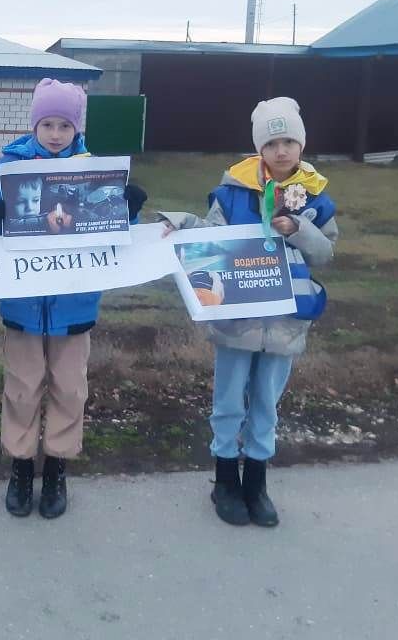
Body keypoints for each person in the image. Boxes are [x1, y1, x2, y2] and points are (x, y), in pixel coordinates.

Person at [159, 97, 338, 527]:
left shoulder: (316, 196)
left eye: (289, 141)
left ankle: (256, 483)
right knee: (228, 399)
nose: (281, 150)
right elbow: (212, 237)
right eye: (273, 142)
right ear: (260, 146)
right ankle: (225, 481)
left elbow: (326, 253)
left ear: (301, 144)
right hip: (237, 315)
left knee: (266, 403)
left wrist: (299, 228)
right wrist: (181, 221)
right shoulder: (232, 191)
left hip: (286, 318)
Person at [0, 78, 147, 519]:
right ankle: (20, 466)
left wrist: (128, 208)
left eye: (64, 126)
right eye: (47, 124)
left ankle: (55, 467)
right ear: (35, 124)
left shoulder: (94, 172)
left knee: (69, 389)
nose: (55, 133)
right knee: (22, 387)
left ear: (77, 130)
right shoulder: (12, 169)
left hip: (75, 305)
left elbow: (113, 233)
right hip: (23, 305)